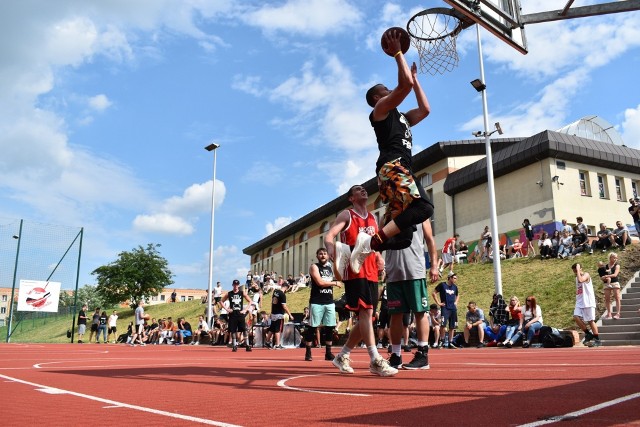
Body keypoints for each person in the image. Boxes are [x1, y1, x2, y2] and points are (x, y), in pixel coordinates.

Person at [349, 30, 434, 274]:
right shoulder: (380, 110)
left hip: (402, 170)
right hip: (392, 167)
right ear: (378, 96)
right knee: (424, 209)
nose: (390, 89)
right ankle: (371, 242)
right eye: (386, 88)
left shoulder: (403, 117)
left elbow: (425, 109)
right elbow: (403, 85)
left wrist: (416, 80)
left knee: (404, 238)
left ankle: (362, 247)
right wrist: (398, 53)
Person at [325, 184, 397, 376]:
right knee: (365, 313)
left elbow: (376, 242)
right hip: (354, 270)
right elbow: (329, 235)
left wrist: (380, 257)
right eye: (358, 189)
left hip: (371, 268)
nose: (364, 190)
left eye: (365, 188)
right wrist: (331, 248)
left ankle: (343, 354)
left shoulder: (373, 217)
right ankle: (375, 359)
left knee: (368, 316)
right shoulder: (347, 215)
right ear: (351, 197)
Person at [386, 220, 439, 369]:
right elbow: (380, 239)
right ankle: (396, 355)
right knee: (395, 315)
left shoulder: (420, 213)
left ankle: (423, 355)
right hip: (393, 272)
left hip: (414, 270)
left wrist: (434, 265)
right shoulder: (388, 214)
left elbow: (429, 239)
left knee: (420, 312)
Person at [304, 248, 342, 362]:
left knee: (330, 327)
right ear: (317, 256)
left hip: (329, 301)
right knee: (312, 327)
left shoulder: (330, 267)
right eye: (320, 254)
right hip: (316, 301)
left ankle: (328, 353)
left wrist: (336, 263)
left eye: (325, 254)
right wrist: (334, 283)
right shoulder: (314, 267)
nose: (323, 255)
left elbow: (340, 277)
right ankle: (308, 351)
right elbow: (320, 283)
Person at [218, 279, 253, 352]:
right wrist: (227, 309)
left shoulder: (242, 293)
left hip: (240, 313)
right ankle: (234, 345)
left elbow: (250, 301)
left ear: (238, 285)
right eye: (234, 284)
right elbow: (221, 301)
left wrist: (245, 310)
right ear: (232, 285)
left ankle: (247, 345)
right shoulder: (229, 293)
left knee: (244, 329)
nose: (236, 286)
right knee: (233, 330)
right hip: (233, 314)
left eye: (237, 285)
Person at [572, 263, 601, 347]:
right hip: (580, 302)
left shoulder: (586, 274)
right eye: (574, 271)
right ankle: (588, 333)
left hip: (588, 301)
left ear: (581, 268)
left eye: (576, 270)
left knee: (590, 321)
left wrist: (578, 270)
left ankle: (597, 339)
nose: (575, 272)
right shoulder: (576, 278)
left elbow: (581, 280)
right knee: (575, 316)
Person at [432, 271, 460, 349]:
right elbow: (434, 293)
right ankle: (442, 340)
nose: (455, 279)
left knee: (452, 326)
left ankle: (450, 342)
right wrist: (438, 303)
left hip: (453, 308)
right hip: (445, 308)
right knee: (443, 325)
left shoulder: (455, 287)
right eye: (454, 278)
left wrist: (456, 303)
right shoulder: (442, 285)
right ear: (450, 278)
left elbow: (458, 295)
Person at [265, 282, 295, 349]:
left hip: (273, 313)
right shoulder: (282, 294)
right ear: (286, 287)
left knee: (272, 328)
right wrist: (290, 314)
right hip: (279, 313)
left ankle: (267, 341)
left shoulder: (275, 292)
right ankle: (278, 345)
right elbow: (284, 306)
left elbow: (272, 302)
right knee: (277, 329)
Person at [603, 252, 622, 319]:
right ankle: (609, 313)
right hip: (606, 283)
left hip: (615, 282)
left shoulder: (617, 265)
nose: (615, 259)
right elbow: (602, 275)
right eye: (614, 257)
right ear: (610, 257)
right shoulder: (605, 266)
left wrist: (606, 276)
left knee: (617, 297)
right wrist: (602, 277)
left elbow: (615, 275)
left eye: (616, 257)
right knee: (607, 299)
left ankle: (618, 313)